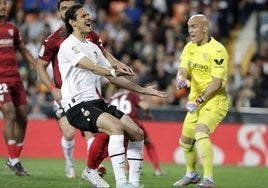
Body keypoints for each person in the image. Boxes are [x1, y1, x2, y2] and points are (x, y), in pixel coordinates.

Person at [58, 4, 167, 188]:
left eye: (88, 15)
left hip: (96, 102)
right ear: (72, 22)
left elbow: (112, 77)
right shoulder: (69, 45)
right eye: (83, 16)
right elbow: (90, 66)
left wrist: (142, 90)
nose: (88, 18)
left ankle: (133, 183)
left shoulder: (93, 47)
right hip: (77, 106)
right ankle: (121, 183)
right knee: (116, 127)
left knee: (137, 132)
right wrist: (113, 70)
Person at [36, 0, 133, 180]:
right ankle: (72, 163)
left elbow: (103, 53)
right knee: (70, 132)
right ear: (59, 14)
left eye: (70, 8)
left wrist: (117, 64)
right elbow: (40, 66)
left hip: (90, 92)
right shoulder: (53, 39)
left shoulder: (90, 35)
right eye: (63, 9)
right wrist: (52, 89)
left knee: (99, 130)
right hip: (65, 94)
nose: (67, 11)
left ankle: (94, 167)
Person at [173, 14, 229, 188]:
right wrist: (181, 78)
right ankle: (191, 174)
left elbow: (217, 83)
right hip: (195, 103)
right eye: (189, 27)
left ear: (205, 28)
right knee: (185, 141)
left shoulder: (218, 50)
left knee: (200, 132)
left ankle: (209, 180)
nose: (190, 30)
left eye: (194, 26)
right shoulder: (189, 47)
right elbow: (183, 68)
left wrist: (198, 101)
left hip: (214, 101)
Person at [0, 0, 36, 176]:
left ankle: (12, 159)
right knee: (10, 114)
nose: (2, 6)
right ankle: (15, 161)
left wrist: (36, 65)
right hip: (0, 80)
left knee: (23, 118)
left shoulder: (12, 28)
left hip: (16, 78)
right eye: (0, 3)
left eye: (4, 3)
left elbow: (22, 49)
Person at [110, 87, 166, 176]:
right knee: (147, 143)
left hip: (117, 125)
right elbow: (145, 106)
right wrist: (148, 114)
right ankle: (157, 169)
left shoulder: (111, 98)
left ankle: (125, 169)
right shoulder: (130, 94)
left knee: (123, 147)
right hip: (133, 123)